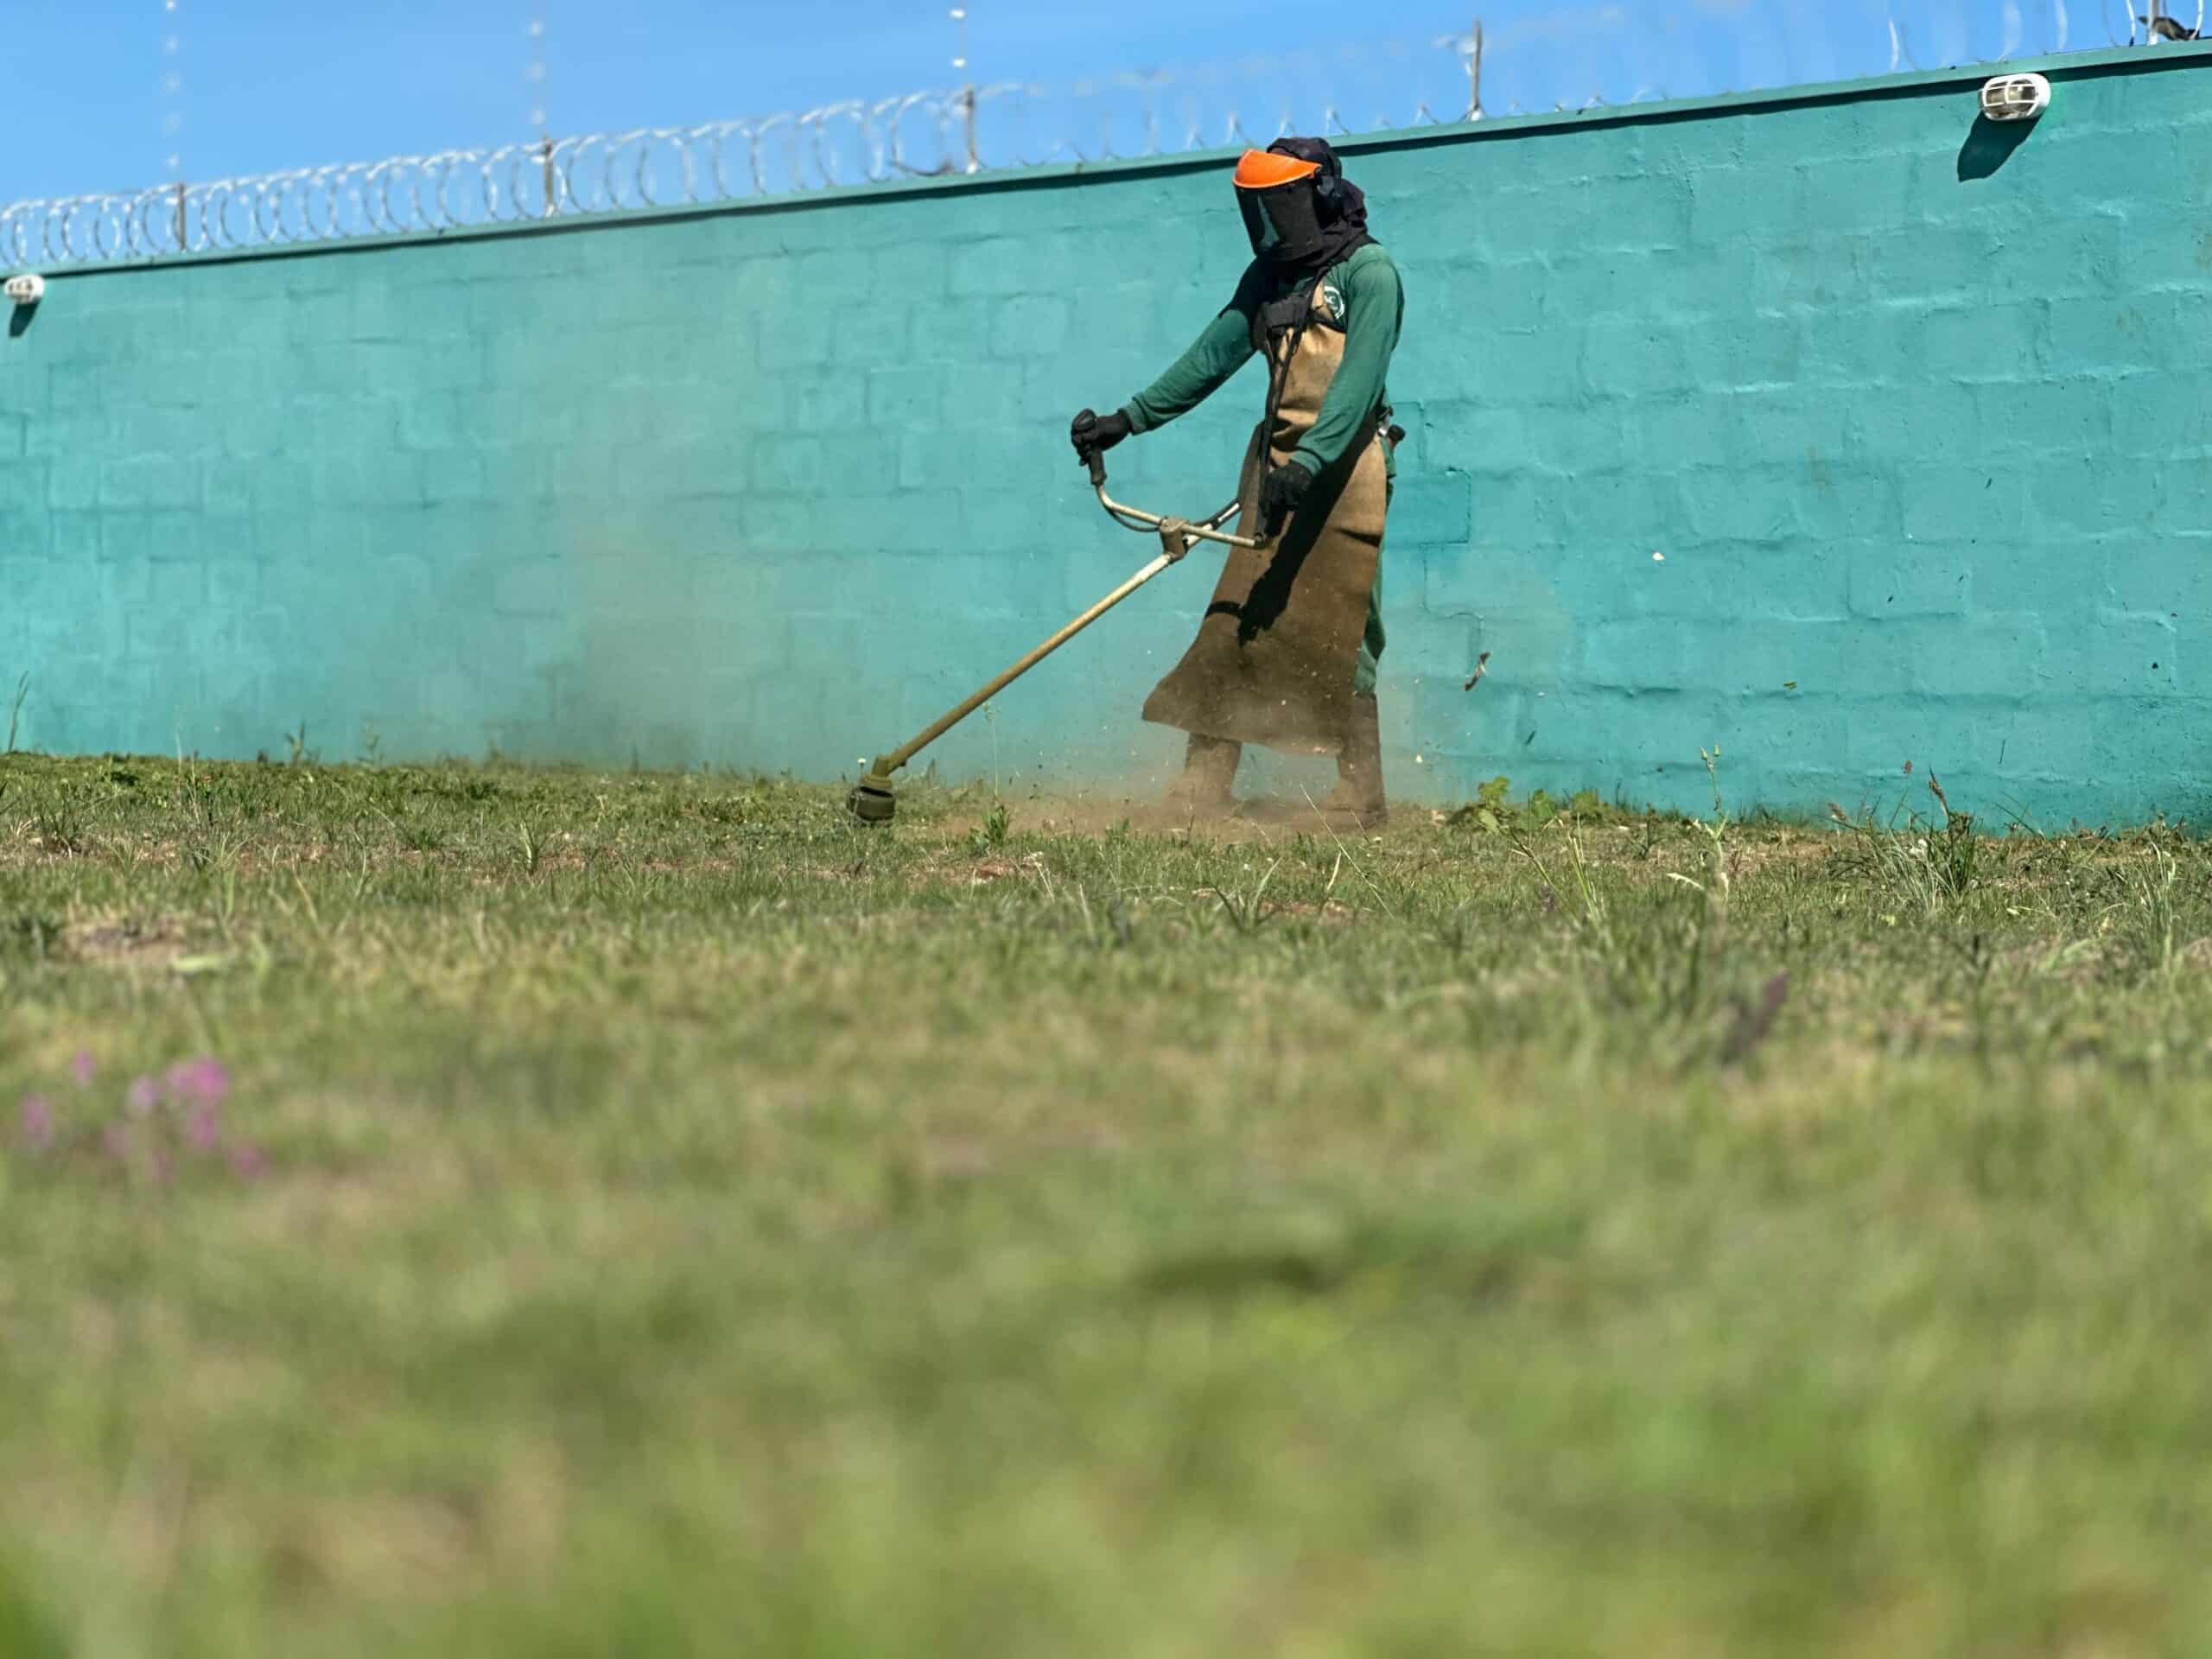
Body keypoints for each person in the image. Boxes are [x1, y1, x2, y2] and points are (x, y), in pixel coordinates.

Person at [1071, 136, 1404, 827]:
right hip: (1278, 471)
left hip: (1349, 472)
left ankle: (1361, 793)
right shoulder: (1268, 282)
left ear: (1315, 197)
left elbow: (1358, 382)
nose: (1268, 224)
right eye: (1257, 209)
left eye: (1277, 206)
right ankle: (1204, 782)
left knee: (1346, 617)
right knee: (1237, 611)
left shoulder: (1370, 274)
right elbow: (1210, 358)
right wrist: (1127, 420)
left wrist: (1312, 461)